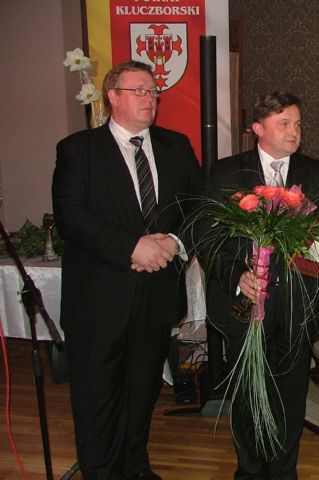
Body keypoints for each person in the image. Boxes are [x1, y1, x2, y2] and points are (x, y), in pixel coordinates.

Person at [52, 60, 203, 480]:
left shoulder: (176, 146)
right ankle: (101, 473)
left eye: (153, 91)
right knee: (97, 399)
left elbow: (198, 208)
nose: (149, 98)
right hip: (99, 301)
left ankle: (136, 469)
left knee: (141, 394)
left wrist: (173, 243)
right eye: (138, 90)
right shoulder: (78, 150)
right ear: (112, 96)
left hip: (155, 298)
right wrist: (132, 247)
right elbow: (71, 216)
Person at [193, 92, 319, 479]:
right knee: (248, 396)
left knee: (291, 397)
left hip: (296, 308)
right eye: (284, 123)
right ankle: (250, 472)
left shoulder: (318, 174)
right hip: (243, 307)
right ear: (258, 128)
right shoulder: (226, 173)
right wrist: (236, 274)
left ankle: (285, 472)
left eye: (298, 123)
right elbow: (206, 235)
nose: (294, 131)